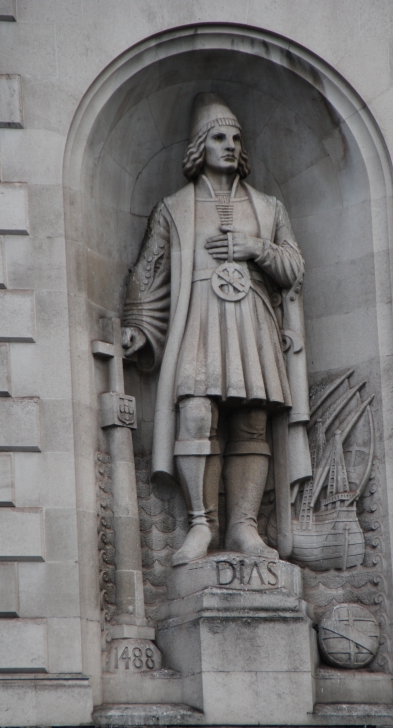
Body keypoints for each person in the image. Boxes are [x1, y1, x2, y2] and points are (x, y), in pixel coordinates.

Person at [122, 93, 311, 566]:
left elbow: (294, 268)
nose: (229, 145)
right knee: (196, 415)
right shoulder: (174, 208)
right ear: (199, 147)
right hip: (199, 320)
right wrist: (138, 327)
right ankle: (201, 524)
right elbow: (148, 274)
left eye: (235, 138)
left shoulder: (268, 208)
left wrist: (255, 248)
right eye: (219, 137)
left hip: (251, 320)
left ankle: (244, 525)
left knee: (251, 421)